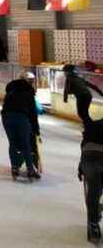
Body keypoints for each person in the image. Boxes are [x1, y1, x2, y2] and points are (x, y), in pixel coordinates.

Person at [71, 66, 103, 244]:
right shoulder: (78, 79)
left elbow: (84, 147)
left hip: (89, 157)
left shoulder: (93, 125)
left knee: (93, 191)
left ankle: (93, 223)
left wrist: (80, 167)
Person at [1, 71, 41, 181]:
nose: (32, 83)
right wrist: (36, 129)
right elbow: (33, 113)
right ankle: (30, 169)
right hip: (21, 118)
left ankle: (14, 167)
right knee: (25, 143)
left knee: (13, 142)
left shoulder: (11, 88)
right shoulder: (28, 91)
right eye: (31, 81)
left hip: (6, 117)